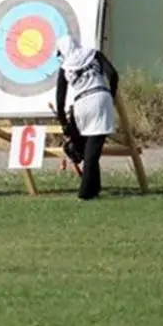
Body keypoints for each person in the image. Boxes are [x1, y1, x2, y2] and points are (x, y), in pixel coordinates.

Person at [54, 34, 119, 201]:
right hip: (101, 99)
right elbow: (113, 75)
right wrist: (111, 96)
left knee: (89, 150)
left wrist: (64, 124)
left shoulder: (65, 68)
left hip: (81, 105)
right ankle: (88, 191)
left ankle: (88, 191)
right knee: (92, 149)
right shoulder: (94, 54)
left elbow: (60, 101)